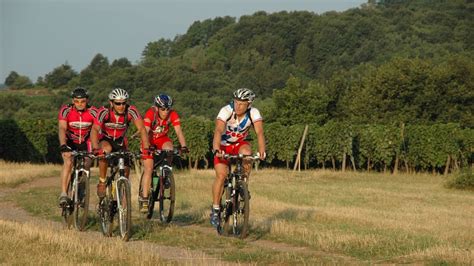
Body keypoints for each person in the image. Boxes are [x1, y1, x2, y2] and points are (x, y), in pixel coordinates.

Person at [209, 88, 266, 228]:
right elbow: (218, 130)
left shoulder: (253, 113)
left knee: (247, 152)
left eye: (242, 104)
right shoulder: (226, 111)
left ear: (249, 104)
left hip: (240, 144)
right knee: (222, 176)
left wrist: (262, 151)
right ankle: (216, 209)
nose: (238, 106)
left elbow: (259, 132)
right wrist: (216, 149)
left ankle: (243, 184)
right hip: (223, 146)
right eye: (236, 102)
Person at [90, 88, 150, 198]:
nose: (121, 106)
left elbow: (142, 129)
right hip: (105, 139)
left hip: (121, 142)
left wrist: (146, 149)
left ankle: (123, 200)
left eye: (123, 103)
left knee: (126, 168)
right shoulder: (104, 111)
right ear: (111, 103)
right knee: (105, 151)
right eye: (118, 103)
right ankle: (102, 182)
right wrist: (95, 148)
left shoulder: (131, 111)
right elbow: (94, 129)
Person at [139, 94, 188, 211]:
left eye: (168, 109)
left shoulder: (173, 114)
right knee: (149, 169)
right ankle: (145, 199)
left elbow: (179, 132)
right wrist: (146, 147)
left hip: (162, 139)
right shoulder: (151, 113)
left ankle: (166, 174)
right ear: (156, 108)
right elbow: (144, 131)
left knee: (169, 148)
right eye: (162, 109)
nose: (165, 112)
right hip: (149, 140)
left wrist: (184, 146)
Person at [58, 87, 97, 206]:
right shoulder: (66, 110)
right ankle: (64, 193)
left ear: (87, 101)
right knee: (68, 162)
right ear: (73, 101)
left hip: (86, 141)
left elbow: (96, 129)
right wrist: (63, 145)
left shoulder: (94, 111)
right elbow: (62, 128)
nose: (79, 104)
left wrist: (96, 147)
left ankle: (82, 189)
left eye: (83, 101)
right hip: (70, 141)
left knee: (87, 162)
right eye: (76, 101)